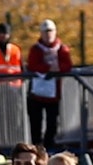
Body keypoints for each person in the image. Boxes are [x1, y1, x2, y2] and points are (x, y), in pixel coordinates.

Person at [26, 20, 73, 149]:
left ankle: (48, 148)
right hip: (36, 93)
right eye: (45, 32)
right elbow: (32, 65)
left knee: (52, 123)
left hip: (54, 94)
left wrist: (57, 67)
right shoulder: (36, 49)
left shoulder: (62, 48)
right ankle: (36, 148)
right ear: (41, 33)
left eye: (51, 31)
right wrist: (49, 67)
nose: (48, 34)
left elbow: (67, 65)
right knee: (36, 123)